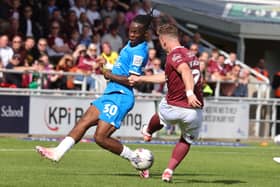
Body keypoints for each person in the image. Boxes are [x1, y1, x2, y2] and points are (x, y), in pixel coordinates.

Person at [35, 14, 153, 178]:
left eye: (136, 32)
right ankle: (57, 152)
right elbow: (122, 68)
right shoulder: (131, 44)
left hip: (121, 96)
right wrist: (108, 66)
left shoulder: (140, 52)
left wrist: (108, 74)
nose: (132, 35)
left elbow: (132, 80)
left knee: (100, 137)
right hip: (110, 92)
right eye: (130, 31)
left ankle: (136, 159)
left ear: (145, 33)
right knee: (83, 121)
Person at [129, 23, 203, 182]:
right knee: (186, 140)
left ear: (163, 41)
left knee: (161, 115)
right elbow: (167, 77)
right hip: (194, 111)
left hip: (174, 105)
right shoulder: (191, 54)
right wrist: (141, 78)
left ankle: (148, 131)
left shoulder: (173, 56)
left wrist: (189, 93)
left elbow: (185, 71)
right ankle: (169, 171)